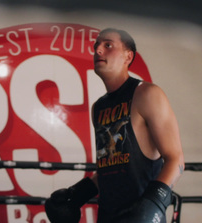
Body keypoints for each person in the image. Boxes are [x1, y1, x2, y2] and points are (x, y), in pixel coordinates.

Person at [45, 28, 185, 223]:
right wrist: (77, 194)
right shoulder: (99, 107)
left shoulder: (147, 94)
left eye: (108, 45)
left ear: (128, 56)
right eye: (97, 46)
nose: (98, 50)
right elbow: (112, 167)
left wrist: (152, 205)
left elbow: (176, 160)